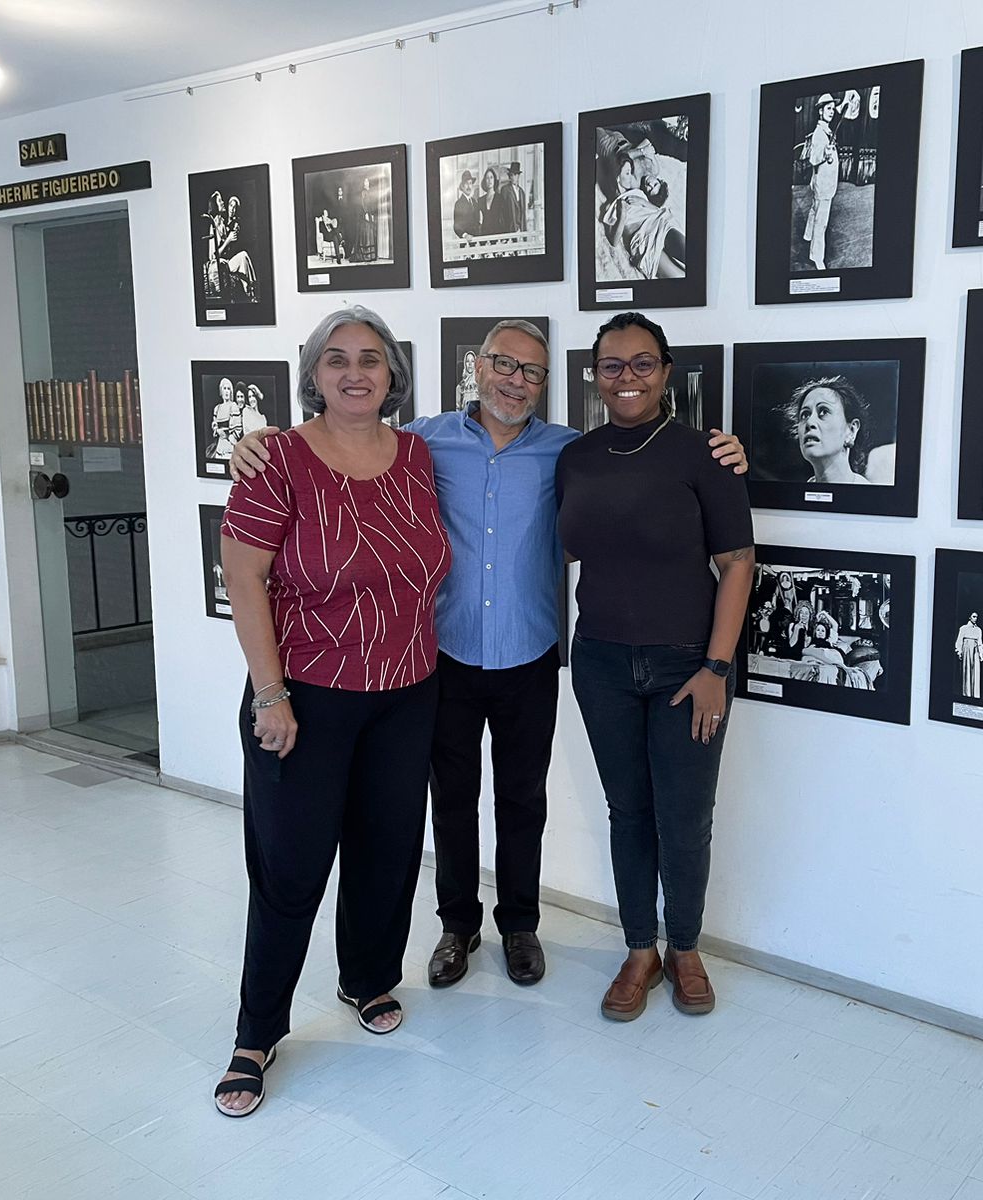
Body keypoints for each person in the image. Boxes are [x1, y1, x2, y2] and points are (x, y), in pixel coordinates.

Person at [230, 322, 747, 993]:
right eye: (504, 364)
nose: (515, 381)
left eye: (532, 371)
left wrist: (723, 450)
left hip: (530, 652)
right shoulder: (421, 443)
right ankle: (457, 925)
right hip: (444, 654)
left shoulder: (568, 451)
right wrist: (258, 441)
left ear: (546, 383)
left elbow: (641, 484)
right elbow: (347, 436)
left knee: (523, 799)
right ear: (477, 367)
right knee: (451, 799)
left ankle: (521, 925)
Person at [211, 306, 452, 1117]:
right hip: (304, 697)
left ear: (392, 374)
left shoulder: (416, 455)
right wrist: (270, 694)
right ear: (313, 373)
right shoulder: (276, 459)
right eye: (337, 359)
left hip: (407, 691)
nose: (356, 373)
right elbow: (243, 578)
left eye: (371, 359)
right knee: (290, 867)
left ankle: (368, 978)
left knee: (388, 851)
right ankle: (256, 1034)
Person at [558, 311, 755, 1021]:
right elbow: (567, 549)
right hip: (600, 663)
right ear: (595, 376)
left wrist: (717, 669)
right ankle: (640, 948)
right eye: (612, 364)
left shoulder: (706, 454)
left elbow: (738, 564)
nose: (628, 377)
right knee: (629, 812)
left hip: (687, 670)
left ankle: (686, 948)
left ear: (666, 372)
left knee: (686, 817)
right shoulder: (575, 458)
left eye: (643, 363)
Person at [601, 150, 686, 279]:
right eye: (627, 173)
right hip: (643, 242)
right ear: (618, 178)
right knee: (679, 277)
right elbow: (614, 241)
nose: (631, 176)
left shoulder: (639, 192)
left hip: (659, 225)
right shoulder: (612, 206)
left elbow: (658, 210)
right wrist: (622, 215)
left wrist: (643, 202)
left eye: (630, 171)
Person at [783, 375, 878, 484]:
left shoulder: (867, 493)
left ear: (851, 430)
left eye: (824, 412)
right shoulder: (798, 493)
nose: (809, 422)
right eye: (805, 415)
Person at [802, 93, 841, 269]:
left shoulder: (826, 130)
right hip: (823, 185)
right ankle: (817, 256)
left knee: (814, 210)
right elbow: (813, 158)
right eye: (828, 108)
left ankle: (807, 236)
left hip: (822, 182)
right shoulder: (819, 133)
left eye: (833, 109)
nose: (831, 111)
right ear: (820, 111)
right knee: (821, 221)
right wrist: (825, 153)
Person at [955, 613, 983, 698]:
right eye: (974, 617)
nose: (975, 618)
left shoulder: (978, 630)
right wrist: (959, 651)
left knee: (975, 670)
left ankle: (975, 695)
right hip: (966, 649)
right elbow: (959, 641)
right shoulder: (963, 628)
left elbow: (980, 642)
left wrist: (981, 653)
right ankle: (967, 694)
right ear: (969, 617)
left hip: (975, 650)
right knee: (967, 670)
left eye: (976, 617)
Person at [452, 169, 482, 241]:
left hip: (477, 240)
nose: (469, 186)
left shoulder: (474, 202)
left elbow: (477, 222)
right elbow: (456, 226)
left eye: (470, 183)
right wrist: (465, 235)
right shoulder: (459, 204)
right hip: (466, 242)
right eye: (466, 184)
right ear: (462, 186)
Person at [479, 167, 508, 236]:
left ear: (494, 180)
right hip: (484, 236)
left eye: (491, 177)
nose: (489, 180)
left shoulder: (500, 198)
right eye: (487, 178)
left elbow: (505, 219)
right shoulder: (480, 200)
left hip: (498, 236)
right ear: (484, 181)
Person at [502, 161, 528, 233]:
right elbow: (503, 211)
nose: (513, 177)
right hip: (509, 227)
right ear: (509, 176)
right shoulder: (505, 190)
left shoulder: (522, 192)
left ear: (518, 176)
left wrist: (523, 229)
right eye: (511, 175)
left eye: (515, 175)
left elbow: (523, 213)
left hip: (521, 228)